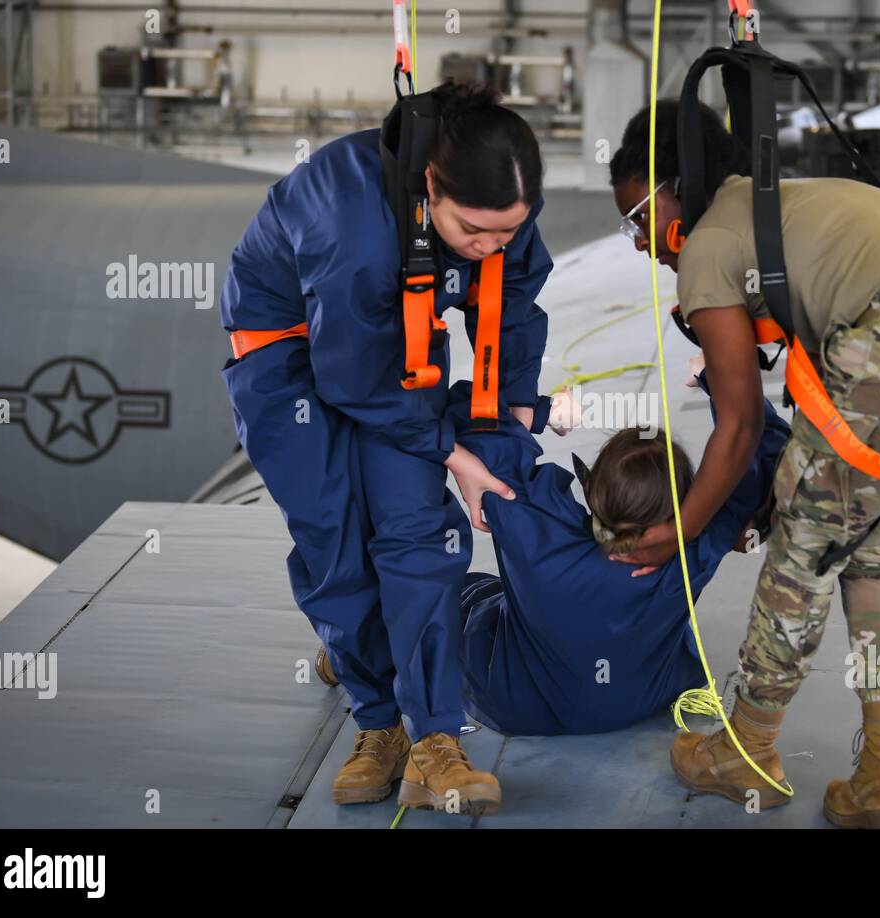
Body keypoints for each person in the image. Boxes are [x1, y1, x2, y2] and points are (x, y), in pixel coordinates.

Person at [607, 100, 880, 828]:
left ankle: (745, 751)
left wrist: (683, 528)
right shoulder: (791, 205)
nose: (638, 245)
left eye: (635, 222)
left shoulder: (711, 242)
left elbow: (740, 423)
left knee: (801, 556)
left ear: (672, 192)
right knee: (878, 554)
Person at [219, 81, 552, 816]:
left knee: (417, 532)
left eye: (509, 230)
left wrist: (514, 410)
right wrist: (453, 453)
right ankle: (379, 725)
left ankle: (435, 743)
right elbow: (349, 376)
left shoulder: (495, 200)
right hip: (292, 360)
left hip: (394, 341)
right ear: (431, 188)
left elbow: (516, 291)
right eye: (477, 232)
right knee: (334, 542)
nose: (493, 245)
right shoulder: (355, 224)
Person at [315, 366, 791, 737]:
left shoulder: (529, 517)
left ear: (589, 486)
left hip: (515, 705)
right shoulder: (696, 548)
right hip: (639, 701)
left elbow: (470, 410)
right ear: (688, 506)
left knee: (451, 592)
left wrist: (542, 413)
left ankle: (357, 653)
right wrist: (717, 373)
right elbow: (759, 453)